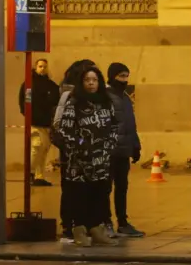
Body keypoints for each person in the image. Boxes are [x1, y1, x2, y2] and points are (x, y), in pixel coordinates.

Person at [52, 65, 119, 247]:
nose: (91, 84)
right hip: (79, 162)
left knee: (99, 195)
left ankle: (96, 229)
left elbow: (114, 127)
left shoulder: (106, 102)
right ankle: (79, 229)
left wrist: (108, 146)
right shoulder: (74, 103)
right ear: (82, 83)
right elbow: (65, 131)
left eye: (94, 80)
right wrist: (82, 146)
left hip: (101, 160)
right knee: (80, 195)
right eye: (87, 80)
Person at [53, 59, 96, 244]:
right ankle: (69, 227)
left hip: (86, 153)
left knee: (83, 190)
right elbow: (60, 126)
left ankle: (82, 225)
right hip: (72, 153)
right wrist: (78, 143)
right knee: (71, 189)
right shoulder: (69, 98)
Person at [106, 62, 144, 238]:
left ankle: (122, 221)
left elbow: (130, 124)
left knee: (122, 187)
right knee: (105, 188)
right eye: (121, 76)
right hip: (109, 152)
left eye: (126, 76)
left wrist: (135, 146)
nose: (124, 80)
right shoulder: (106, 97)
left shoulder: (126, 98)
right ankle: (105, 222)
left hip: (123, 152)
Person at [18, 58, 61, 186]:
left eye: (45, 66)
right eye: (40, 66)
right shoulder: (29, 84)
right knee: (36, 147)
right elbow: (23, 102)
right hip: (35, 122)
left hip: (47, 123)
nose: (43, 69)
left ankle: (39, 176)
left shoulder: (52, 86)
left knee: (44, 150)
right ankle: (29, 173)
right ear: (35, 68)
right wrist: (29, 115)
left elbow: (56, 102)